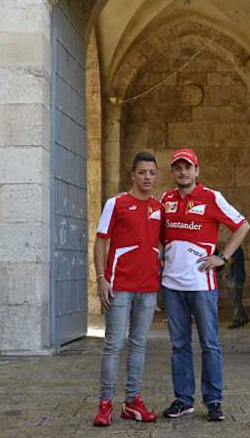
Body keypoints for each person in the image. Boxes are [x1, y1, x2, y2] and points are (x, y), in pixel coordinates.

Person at [160, 148, 250, 422]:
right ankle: (184, 400)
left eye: (188, 167)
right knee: (179, 345)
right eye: (178, 167)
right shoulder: (166, 199)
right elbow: (160, 236)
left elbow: (243, 225)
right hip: (172, 286)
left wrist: (222, 257)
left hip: (202, 284)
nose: (183, 172)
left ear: (197, 171)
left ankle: (213, 401)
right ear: (173, 172)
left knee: (209, 344)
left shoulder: (212, 197)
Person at [92, 151, 164, 427]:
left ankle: (132, 401)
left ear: (156, 176)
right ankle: (105, 404)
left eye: (152, 173)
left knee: (139, 344)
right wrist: (101, 278)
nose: (147, 177)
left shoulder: (159, 208)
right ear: (132, 174)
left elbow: (162, 244)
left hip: (148, 288)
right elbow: (101, 242)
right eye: (142, 172)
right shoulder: (116, 203)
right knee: (113, 345)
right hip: (119, 286)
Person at [226, 245, 250, 329]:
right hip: (233, 277)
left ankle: (237, 320)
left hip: (237, 278)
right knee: (235, 299)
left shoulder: (237, 250)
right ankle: (244, 317)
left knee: (236, 300)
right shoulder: (233, 250)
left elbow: (231, 261)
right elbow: (231, 264)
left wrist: (224, 255)